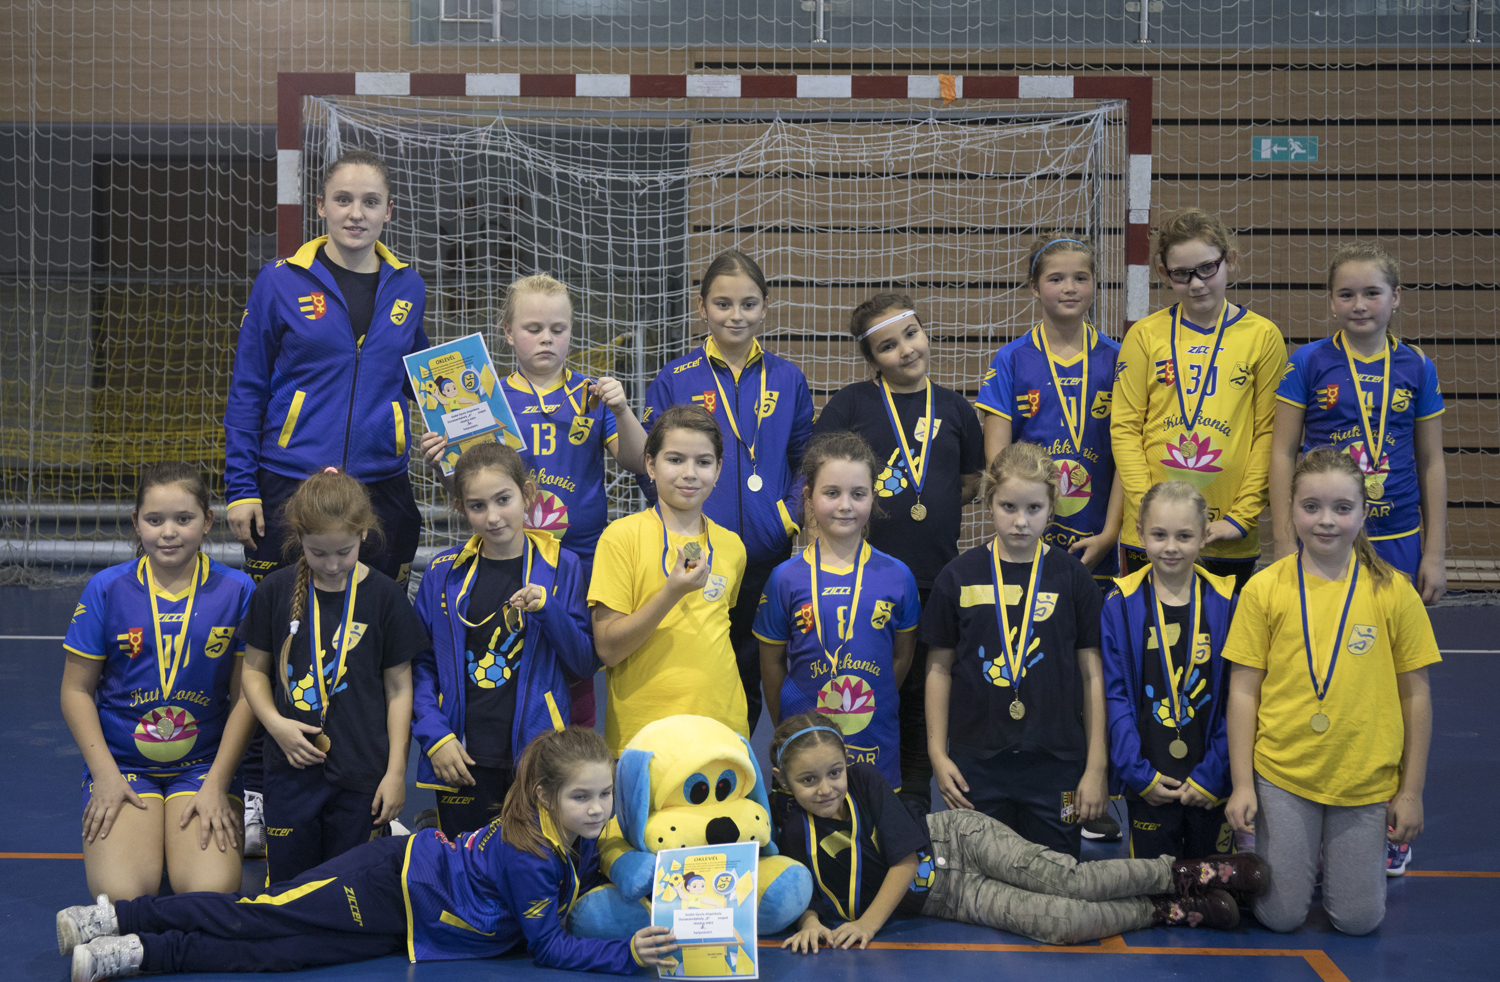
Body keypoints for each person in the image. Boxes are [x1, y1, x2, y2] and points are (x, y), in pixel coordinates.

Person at [57, 727, 680, 981]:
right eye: (581, 797)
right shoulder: (533, 854)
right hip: (389, 879)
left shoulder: (568, 835)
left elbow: (593, 865)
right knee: (262, 913)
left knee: (282, 956)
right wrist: (625, 955)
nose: (597, 810)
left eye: (604, 795)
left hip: (410, 924)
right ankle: (116, 918)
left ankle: (138, 954)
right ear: (546, 795)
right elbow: (548, 947)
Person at [222, 149, 429, 856]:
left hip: (381, 485)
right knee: (276, 646)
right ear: (321, 206)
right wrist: (241, 485)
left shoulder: (408, 285)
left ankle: (368, 790)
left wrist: (451, 436)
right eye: (343, 199)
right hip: (287, 481)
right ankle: (258, 794)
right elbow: (249, 386)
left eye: (370, 202)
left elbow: (423, 380)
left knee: (367, 646)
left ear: (389, 211)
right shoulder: (281, 280)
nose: (356, 213)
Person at [769, 714, 1264, 951]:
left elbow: (903, 861)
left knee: (1068, 879)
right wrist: (808, 921)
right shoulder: (792, 829)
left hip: (956, 841)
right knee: (1062, 925)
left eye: (833, 772)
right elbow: (802, 888)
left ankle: (1188, 873)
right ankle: (1167, 909)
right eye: (808, 780)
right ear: (783, 782)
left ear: (846, 763)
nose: (825, 788)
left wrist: (867, 926)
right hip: (947, 896)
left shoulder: (864, 781)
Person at [1223, 447, 1439, 935]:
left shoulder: (1394, 592)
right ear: (1290, 509)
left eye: (1342, 508)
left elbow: (1417, 697)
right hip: (1284, 774)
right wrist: (1242, 784)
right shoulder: (1264, 589)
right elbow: (1243, 693)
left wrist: (1410, 792)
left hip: (1363, 779)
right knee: (1280, 918)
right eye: (1311, 506)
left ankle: (1329, 858)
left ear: (1363, 513)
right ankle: (1295, 854)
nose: (1326, 520)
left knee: (1358, 922)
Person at [420, 274, 648, 728]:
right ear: (508, 332)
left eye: (558, 329)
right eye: (533, 328)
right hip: (508, 557)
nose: (546, 338)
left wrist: (622, 409)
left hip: (579, 560)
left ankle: (575, 750)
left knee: (577, 667)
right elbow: (470, 487)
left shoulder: (592, 395)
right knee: (512, 665)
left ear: (571, 332)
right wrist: (441, 464)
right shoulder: (483, 398)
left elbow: (640, 461)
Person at [812, 293, 985, 809]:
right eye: (888, 346)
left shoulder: (956, 408)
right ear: (872, 359)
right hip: (864, 584)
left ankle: (909, 803)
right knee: (865, 687)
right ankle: (843, 796)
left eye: (911, 334)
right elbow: (819, 478)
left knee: (921, 697)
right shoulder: (851, 404)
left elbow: (969, 482)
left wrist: (925, 499)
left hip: (934, 578)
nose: (906, 350)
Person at [59, 463, 258, 901]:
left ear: (207, 521)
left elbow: (246, 698)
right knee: (123, 895)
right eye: (154, 520)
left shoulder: (238, 590)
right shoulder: (106, 589)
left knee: (209, 894)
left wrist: (218, 782)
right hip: (124, 766)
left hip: (203, 766)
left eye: (183, 519)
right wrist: (105, 775)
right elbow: (75, 691)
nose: (169, 532)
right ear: (136, 522)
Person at [641, 250, 814, 733]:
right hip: (696, 555)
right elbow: (649, 463)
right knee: (696, 663)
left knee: (755, 671)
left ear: (765, 307)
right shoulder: (675, 378)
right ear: (702, 308)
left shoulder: (788, 378)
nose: (736, 316)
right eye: (722, 304)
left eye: (748, 304)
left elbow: (806, 459)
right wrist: (678, 527)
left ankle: (741, 763)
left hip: (766, 553)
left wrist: (787, 518)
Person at [238, 469, 428, 883]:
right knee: (289, 891)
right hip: (289, 771)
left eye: (344, 551)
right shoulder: (274, 591)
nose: (332, 564)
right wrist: (275, 725)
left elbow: (400, 689)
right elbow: (252, 672)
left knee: (351, 891)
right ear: (299, 538)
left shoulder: (386, 597)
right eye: (317, 553)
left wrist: (396, 773)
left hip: (363, 774)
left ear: (363, 534)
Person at [921, 443, 1108, 860]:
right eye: (1008, 506)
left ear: (1051, 508)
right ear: (989, 502)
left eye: (1034, 508)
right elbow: (938, 669)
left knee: (1056, 875)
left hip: (1058, 762)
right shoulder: (958, 576)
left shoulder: (1073, 578)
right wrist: (937, 753)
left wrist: (1096, 766)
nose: (1021, 521)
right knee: (980, 880)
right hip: (976, 761)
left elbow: (1092, 675)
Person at [411, 442, 597, 837]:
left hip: (536, 756)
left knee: (534, 861)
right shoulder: (441, 573)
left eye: (503, 500)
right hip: (461, 757)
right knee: (464, 863)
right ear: (461, 508)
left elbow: (583, 662)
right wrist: (434, 736)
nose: (493, 517)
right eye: (478, 506)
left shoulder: (562, 565)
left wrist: (549, 609)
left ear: (527, 494)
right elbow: (421, 666)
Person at [1112, 208, 1288, 593]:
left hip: (1227, 536)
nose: (1196, 283)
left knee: (1224, 632)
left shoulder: (1263, 337)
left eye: (1207, 268)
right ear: (1164, 273)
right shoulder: (1144, 336)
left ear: (1231, 260)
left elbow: (1269, 436)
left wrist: (1241, 518)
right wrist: (1148, 511)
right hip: (1150, 537)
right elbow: (1125, 430)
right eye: (1182, 273)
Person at [1271, 241, 1447, 608]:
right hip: (1323, 532)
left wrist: (1435, 553)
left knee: (1391, 636)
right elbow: (1283, 453)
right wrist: (1285, 542)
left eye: (1372, 293)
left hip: (1397, 533)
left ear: (1395, 296)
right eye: (1346, 294)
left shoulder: (1418, 366)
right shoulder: (1307, 361)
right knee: (1322, 634)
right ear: (1332, 301)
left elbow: (1431, 461)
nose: (1359, 305)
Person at [753, 431, 922, 790]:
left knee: (873, 820)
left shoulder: (898, 576)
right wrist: (787, 727)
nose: (845, 505)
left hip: (875, 743)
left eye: (858, 494)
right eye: (831, 493)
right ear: (809, 497)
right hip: (804, 743)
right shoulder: (784, 578)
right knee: (806, 822)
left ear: (873, 497)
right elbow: (771, 664)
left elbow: (901, 657)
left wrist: (870, 697)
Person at [590, 405, 749, 753]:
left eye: (703, 462)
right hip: (645, 734)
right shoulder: (621, 537)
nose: (689, 474)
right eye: (675, 460)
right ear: (650, 465)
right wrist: (671, 593)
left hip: (723, 729)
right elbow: (609, 650)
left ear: (718, 469)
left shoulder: (733, 546)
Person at [978, 232, 1123, 588]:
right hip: (1027, 535)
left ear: (1094, 283)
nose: (1069, 288)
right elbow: (997, 461)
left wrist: (1110, 534)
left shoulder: (1119, 358)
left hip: (1098, 535)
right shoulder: (1011, 359)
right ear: (1034, 287)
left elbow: (1128, 455)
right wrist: (1018, 523)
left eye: (1080, 278)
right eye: (1056, 279)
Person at [1101, 480, 1237, 860]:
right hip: (1149, 783)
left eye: (1184, 535)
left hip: (1210, 784)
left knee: (1214, 888)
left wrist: (1215, 773)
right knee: (1153, 888)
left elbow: (1237, 700)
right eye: (1159, 534)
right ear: (1140, 533)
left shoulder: (1228, 604)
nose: (1171, 547)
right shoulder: (1119, 604)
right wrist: (1137, 773)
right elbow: (1115, 696)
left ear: (1205, 535)